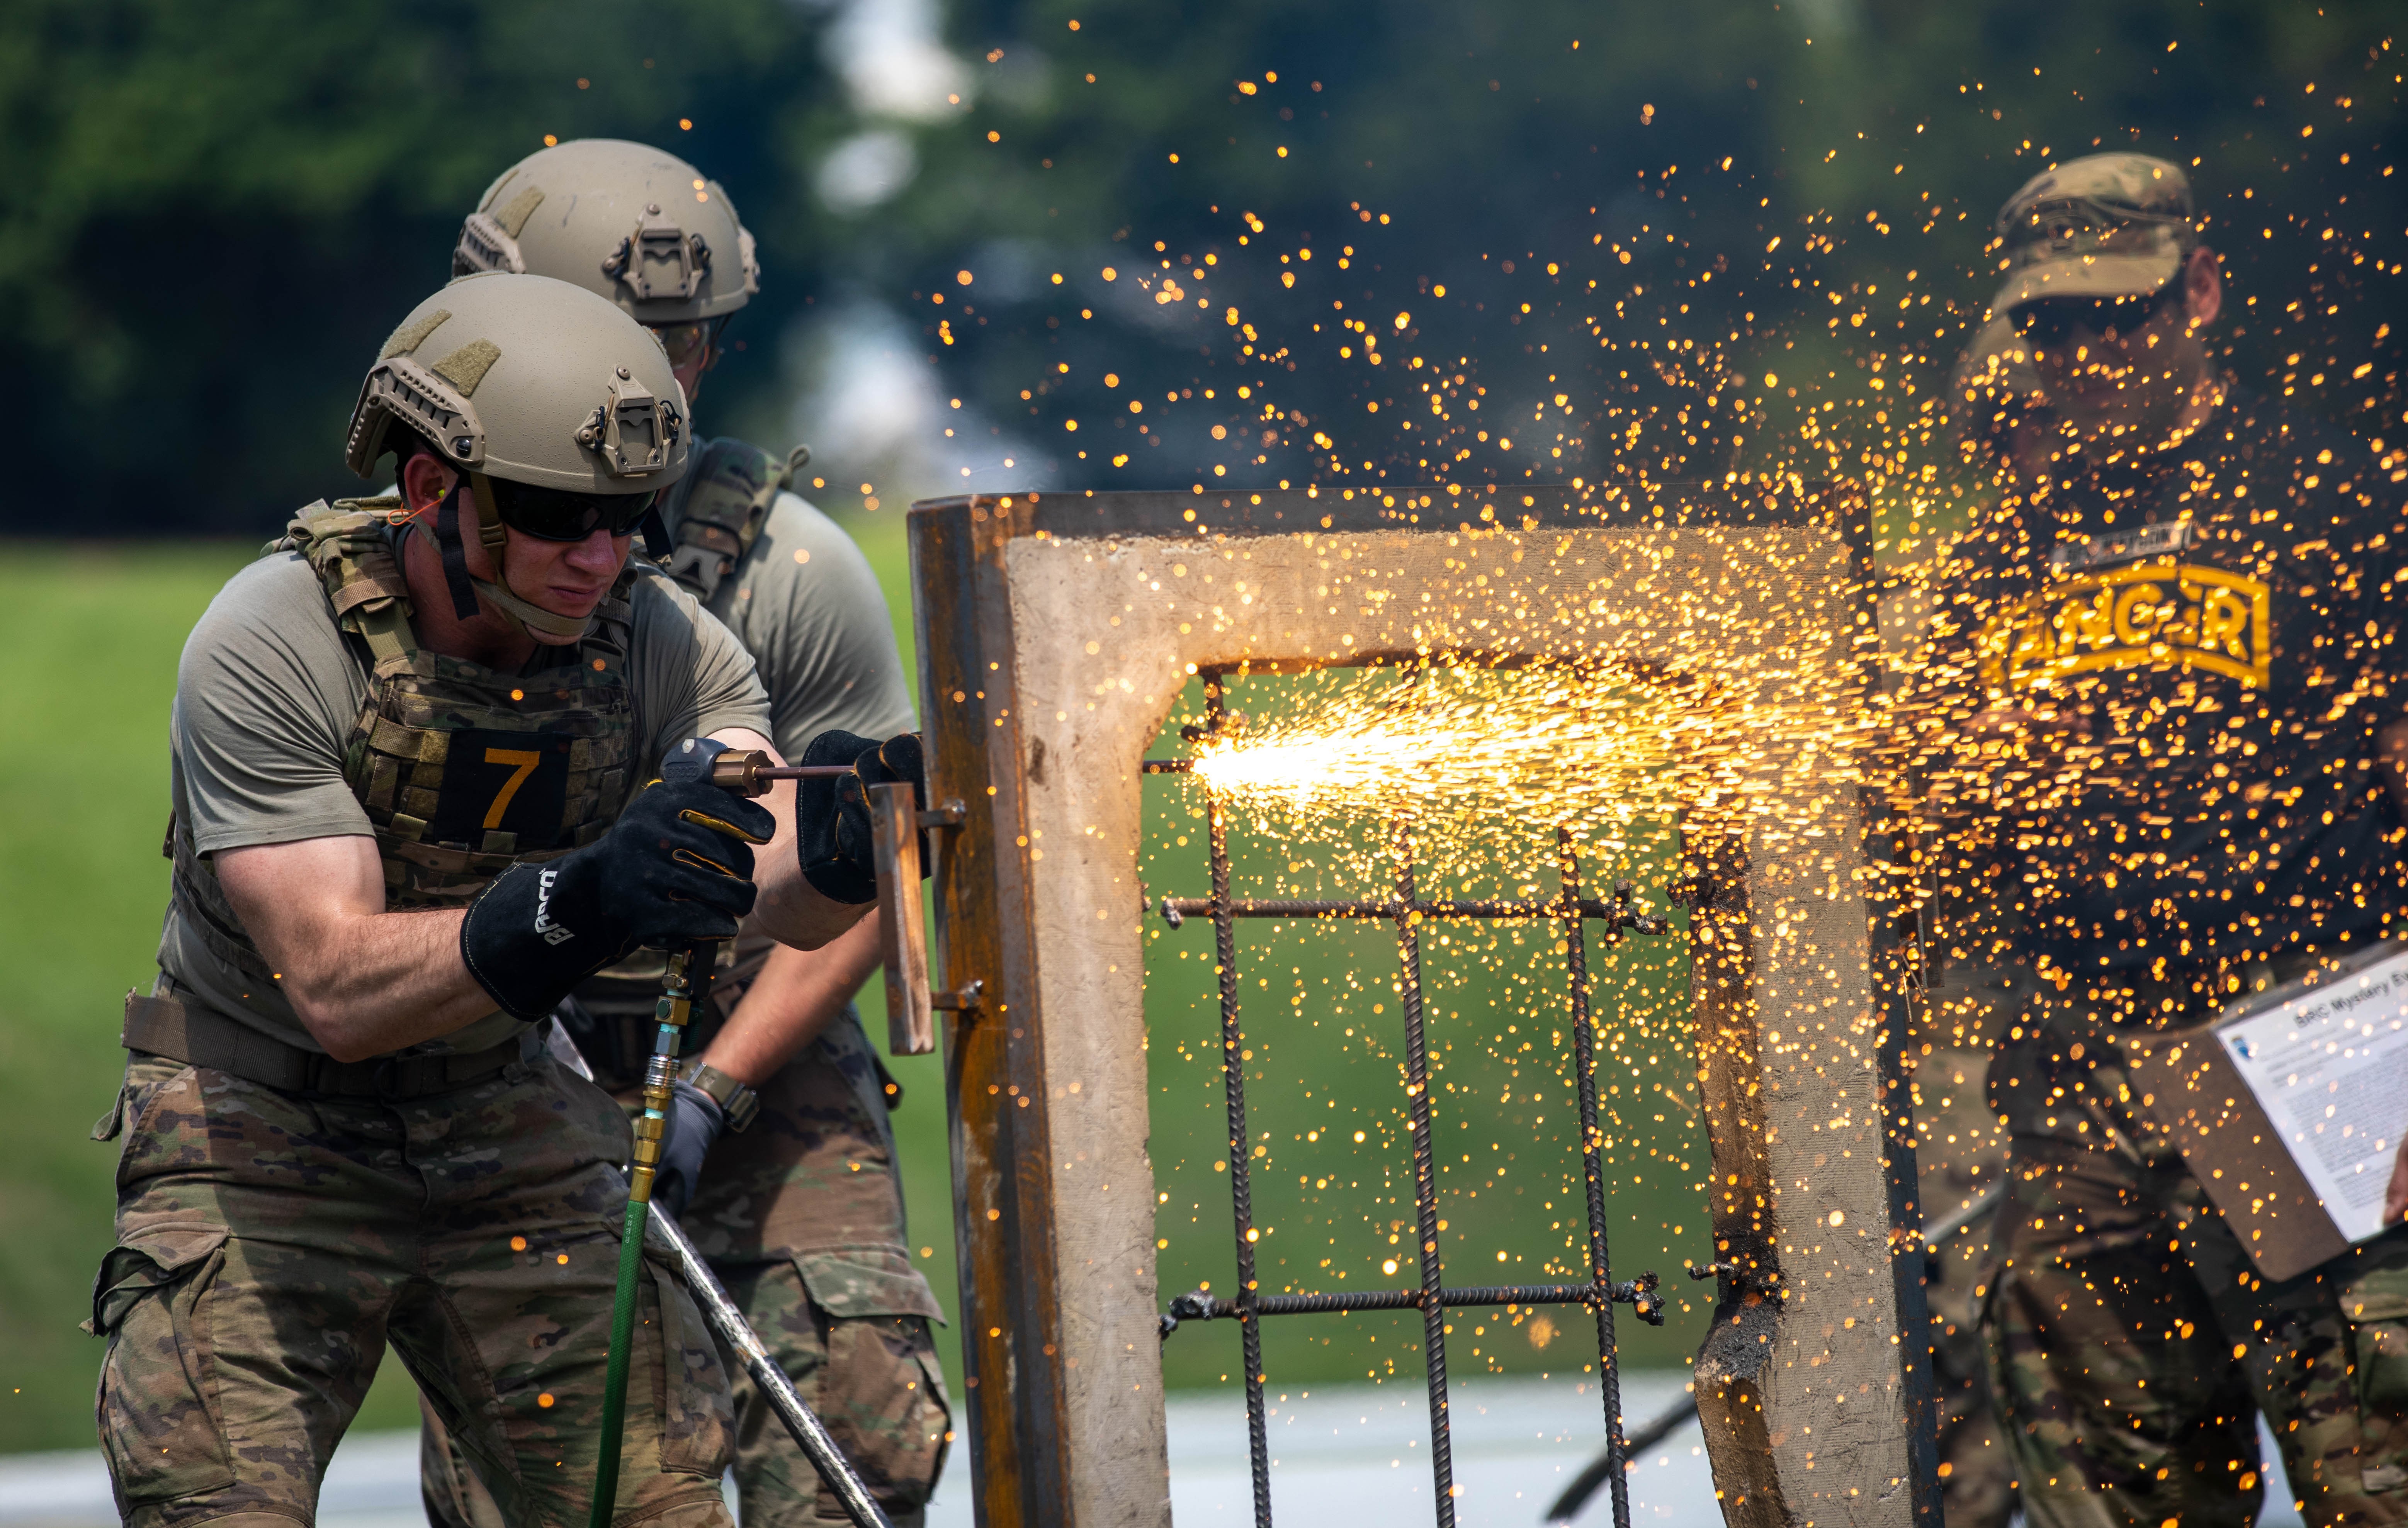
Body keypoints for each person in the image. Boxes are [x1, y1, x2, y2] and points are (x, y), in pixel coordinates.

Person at [89, 268, 902, 1528]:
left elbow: (769, 873)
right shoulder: (276, 636)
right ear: (432, 492)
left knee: (656, 1505)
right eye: (556, 514)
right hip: (261, 1122)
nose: (599, 556)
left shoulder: (671, 642)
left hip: (507, 1110)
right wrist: (585, 896)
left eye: (628, 517)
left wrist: (844, 844)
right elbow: (339, 983)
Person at [421, 138, 949, 1528]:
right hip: (499, 1039)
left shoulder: (791, 572)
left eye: (689, 349)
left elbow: (874, 878)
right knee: (547, 1477)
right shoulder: (419, 562)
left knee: (861, 1430)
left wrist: (713, 1088)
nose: (663, 386)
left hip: (751, 1043)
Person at [1917, 151, 2408, 1528]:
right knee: (2120, 1505)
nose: (2087, 351)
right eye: (2053, 325)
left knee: (2376, 1478)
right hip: (2079, 1094)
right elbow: (1934, 837)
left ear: (2195, 291)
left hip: (2318, 1063)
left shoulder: (2332, 500)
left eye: (2116, 312)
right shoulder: (1993, 560)